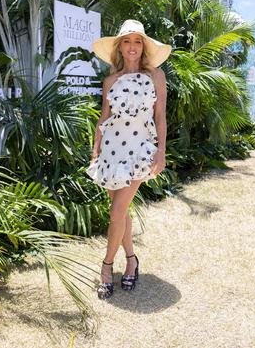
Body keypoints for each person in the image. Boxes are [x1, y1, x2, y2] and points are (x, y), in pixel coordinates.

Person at [86, 19, 171, 300]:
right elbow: (104, 117)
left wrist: (161, 152)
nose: (132, 46)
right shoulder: (110, 80)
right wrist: (95, 149)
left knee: (116, 212)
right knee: (119, 210)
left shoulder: (156, 76)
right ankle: (132, 259)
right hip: (111, 151)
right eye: (127, 41)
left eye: (137, 41)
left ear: (143, 46)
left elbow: (160, 116)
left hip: (139, 150)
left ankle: (107, 267)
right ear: (119, 47)